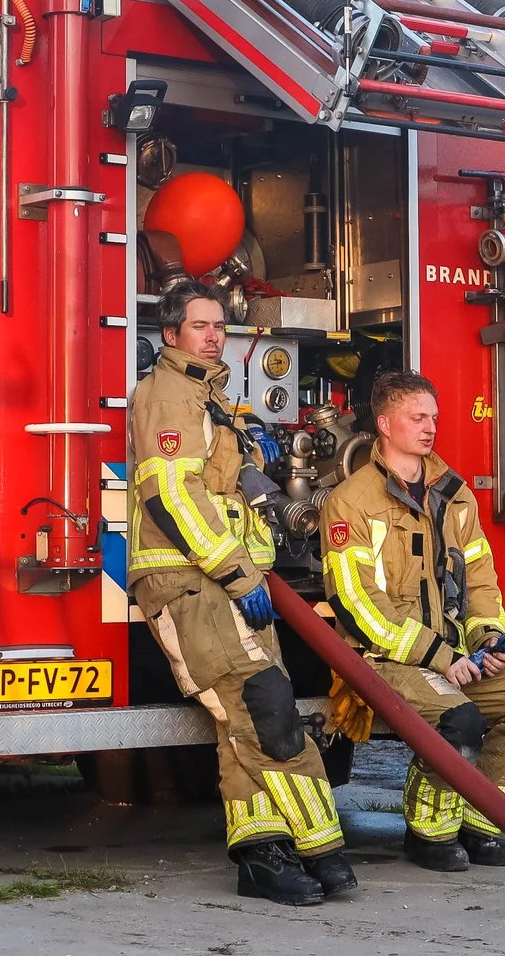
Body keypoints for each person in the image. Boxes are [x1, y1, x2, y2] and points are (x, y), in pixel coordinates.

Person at [128, 280, 353, 905]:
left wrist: (271, 502)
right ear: (170, 334)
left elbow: (231, 480)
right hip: (189, 581)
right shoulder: (166, 394)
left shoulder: (213, 397)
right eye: (199, 326)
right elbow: (172, 497)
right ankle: (321, 846)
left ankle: (260, 853)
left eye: (219, 325)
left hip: (228, 579)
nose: (213, 335)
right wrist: (237, 571)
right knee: (265, 705)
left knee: (241, 720)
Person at [318, 369, 505, 872]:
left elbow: (479, 578)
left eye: (433, 416)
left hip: (458, 656)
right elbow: (357, 603)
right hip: (386, 660)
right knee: (460, 724)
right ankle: (428, 831)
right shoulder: (351, 502)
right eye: (417, 417)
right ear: (385, 424)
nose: (430, 427)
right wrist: (441, 657)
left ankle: (485, 821)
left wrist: (488, 636)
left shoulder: (454, 494)